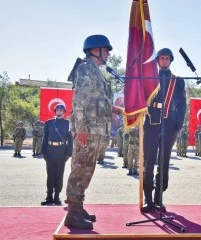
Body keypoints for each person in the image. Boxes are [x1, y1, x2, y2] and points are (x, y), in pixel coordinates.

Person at [64, 34, 120, 229]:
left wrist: (117, 110)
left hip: (93, 129)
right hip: (86, 130)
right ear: (96, 50)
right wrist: (81, 129)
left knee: (87, 168)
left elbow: (98, 101)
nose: (108, 55)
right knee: (80, 168)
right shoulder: (86, 69)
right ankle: (72, 214)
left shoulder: (94, 71)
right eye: (106, 50)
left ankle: (77, 208)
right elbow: (79, 100)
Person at [141, 48, 186, 213]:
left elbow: (181, 105)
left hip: (168, 125)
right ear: (157, 61)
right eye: (162, 58)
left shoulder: (178, 81)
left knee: (163, 162)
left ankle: (158, 198)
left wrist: (178, 127)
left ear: (170, 60)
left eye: (167, 58)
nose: (164, 61)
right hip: (151, 124)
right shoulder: (150, 79)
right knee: (148, 161)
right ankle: (147, 198)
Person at [41, 104, 73, 206]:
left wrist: (68, 153)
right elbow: (45, 138)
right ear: (55, 111)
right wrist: (43, 152)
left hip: (61, 152)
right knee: (50, 175)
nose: (59, 111)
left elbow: (70, 140)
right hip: (50, 151)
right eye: (57, 109)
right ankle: (49, 197)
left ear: (64, 112)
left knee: (59, 175)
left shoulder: (68, 124)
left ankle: (57, 197)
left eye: (61, 110)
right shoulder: (49, 123)